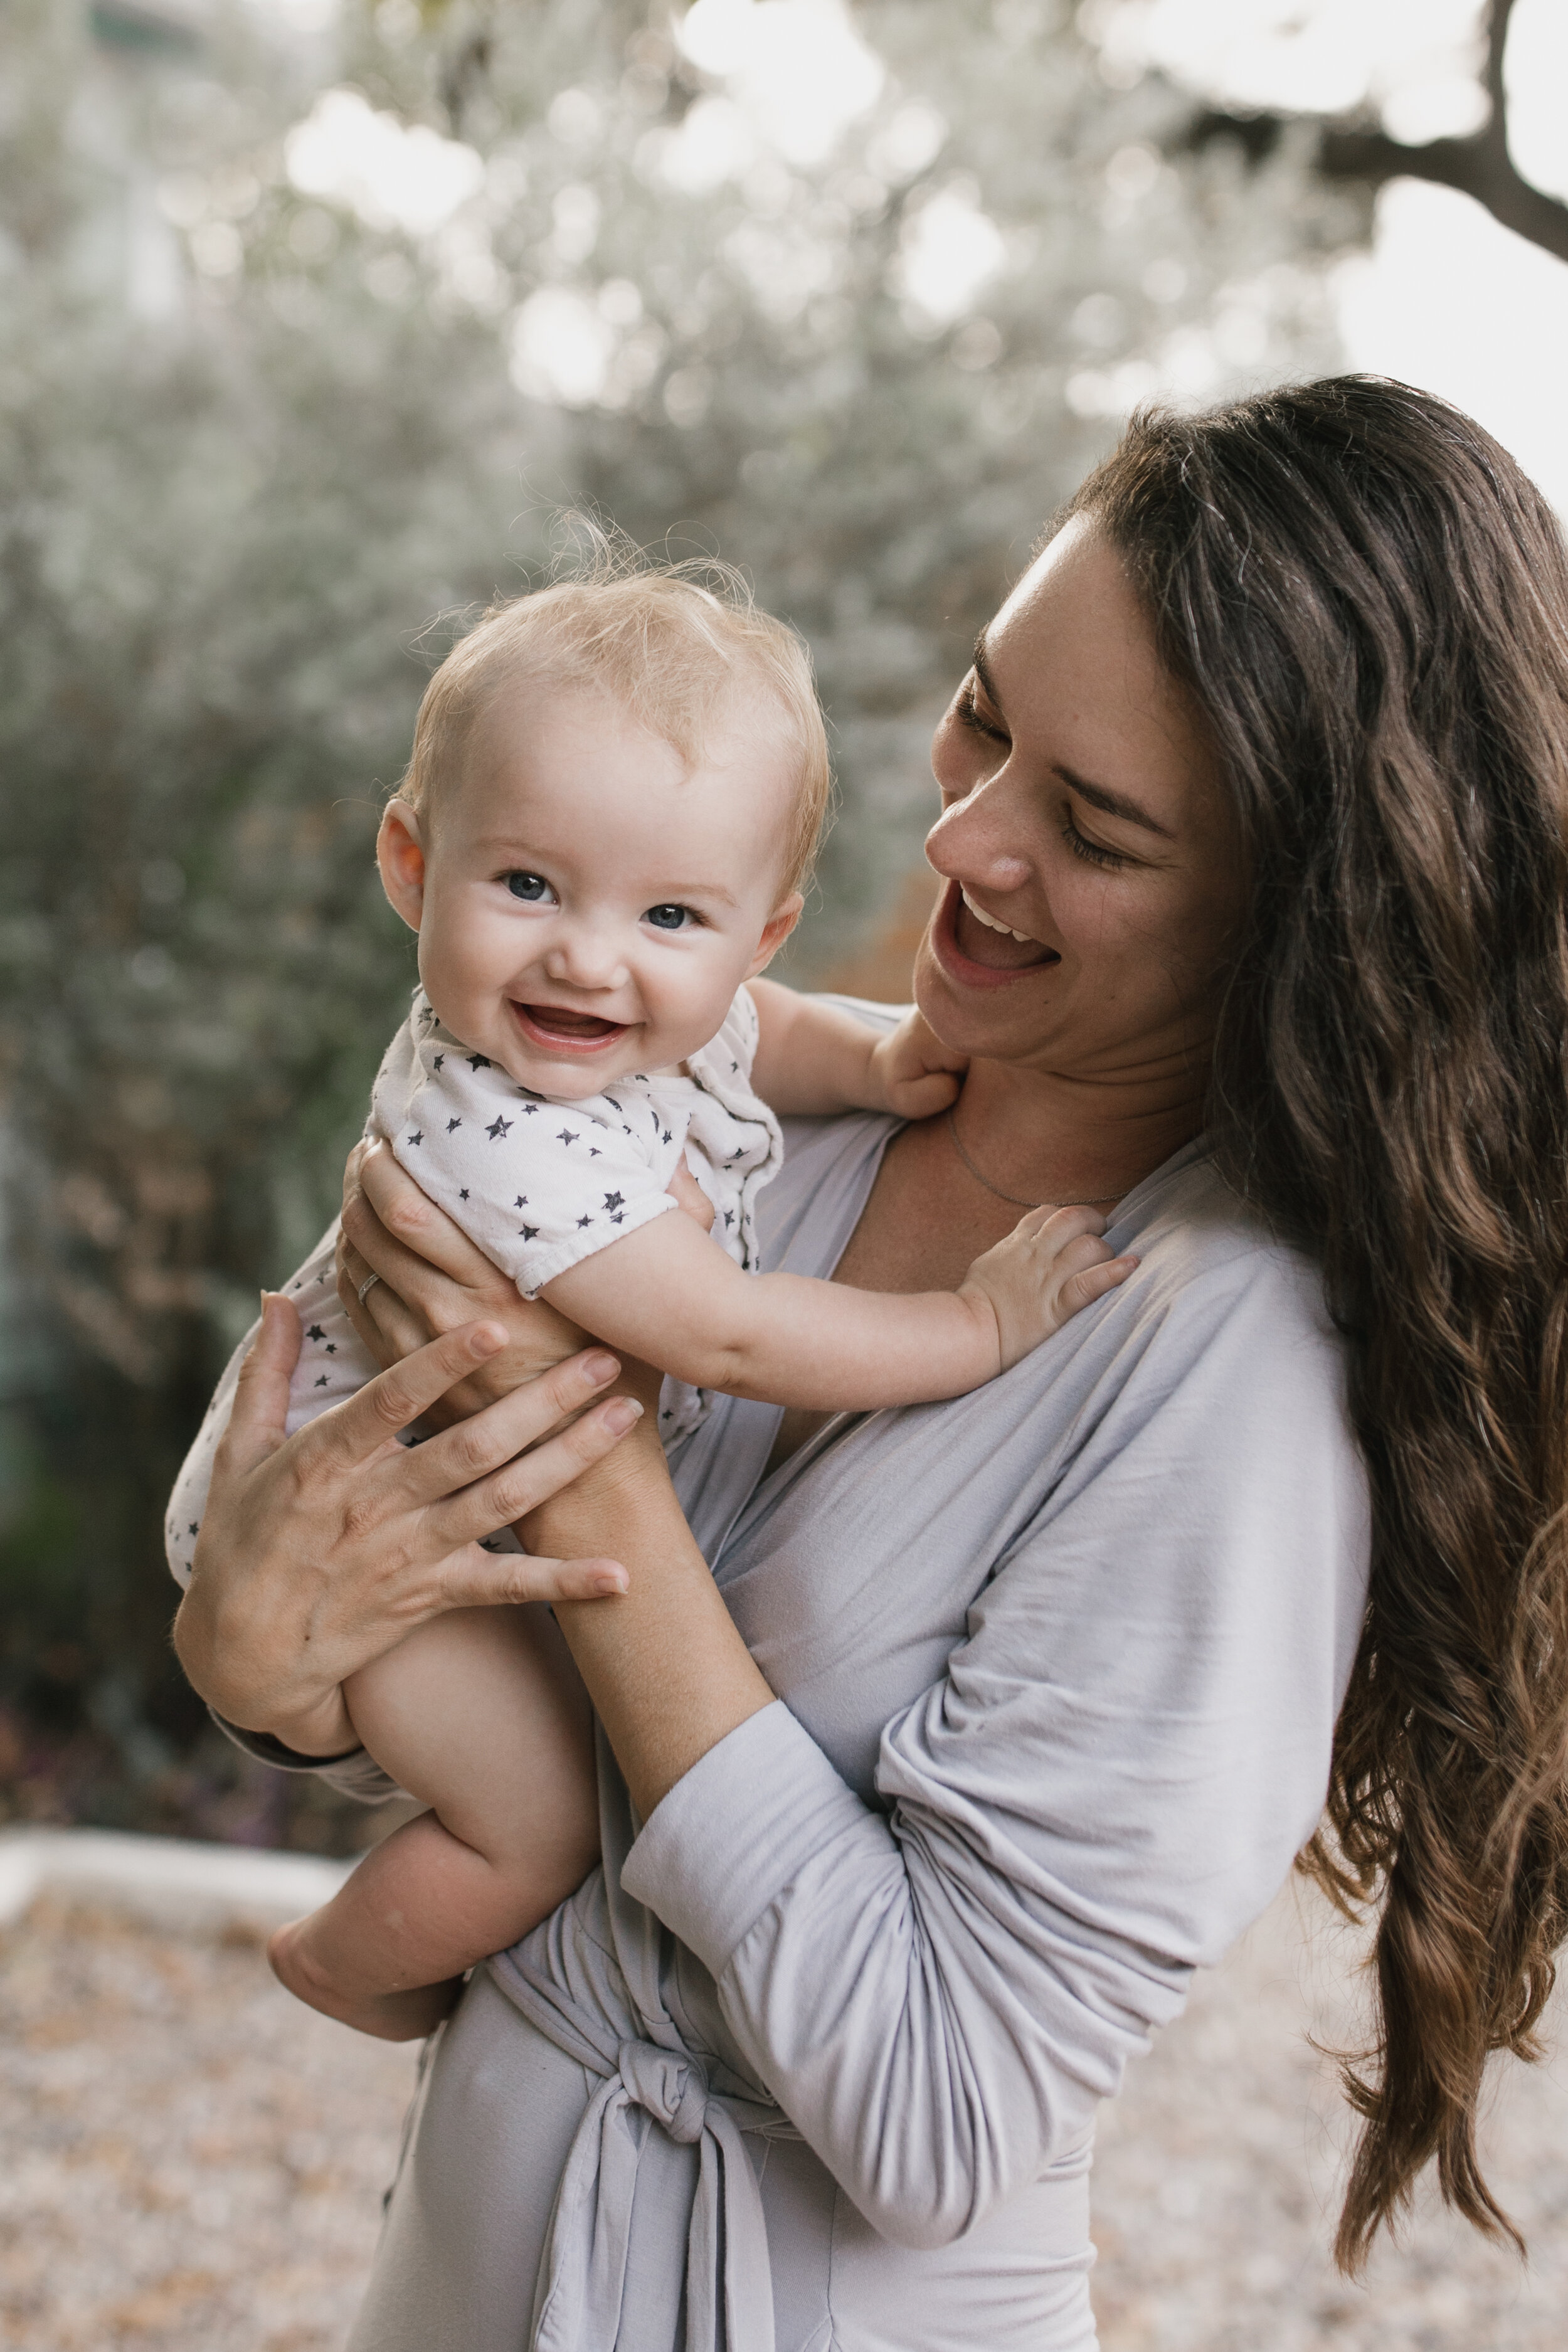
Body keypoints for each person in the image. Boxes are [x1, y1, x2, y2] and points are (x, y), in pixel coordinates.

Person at [172, 378, 1568, 2349]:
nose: (962, 832)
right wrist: (268, 1667)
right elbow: (483, 1711)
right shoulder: (733, 1106)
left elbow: (936, 2111)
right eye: (987, 713)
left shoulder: (1224, 1361)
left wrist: (597, 1487)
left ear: (1296, 916)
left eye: (1089, 828)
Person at [166, 567, 1131, 2041]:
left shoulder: (668, 1012)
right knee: (537, 1823)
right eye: (528, 886)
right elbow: (724, 1331)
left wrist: (870, 1070)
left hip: (451, 1511)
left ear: (759, 931)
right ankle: (348, 1964)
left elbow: (769, 1032)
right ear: (413, 866)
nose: (589, 955)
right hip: (385, 1536)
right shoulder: (506, 1130)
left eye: (670, 914)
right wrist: (977, 1328)